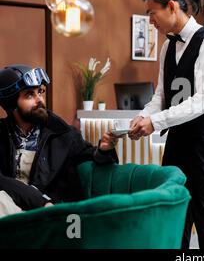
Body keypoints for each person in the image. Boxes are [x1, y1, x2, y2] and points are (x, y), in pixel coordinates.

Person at [128, 0, 204, 249]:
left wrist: (156, 122)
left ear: (171, 7)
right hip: (176, 146)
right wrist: (143, 116)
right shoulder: (167, 47)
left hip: (203, 147)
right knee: (173, 219)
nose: (150, 21)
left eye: (151, 13)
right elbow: (161, 95)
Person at [0, 64, 119, 217]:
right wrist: (40, 201)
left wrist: (104, 149)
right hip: (17, 208)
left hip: (50, 215)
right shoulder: (2, 133)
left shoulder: (62, 134)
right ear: (11, 104)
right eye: (30, 95)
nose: (39, 100)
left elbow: (91, 156)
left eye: (41, 92)